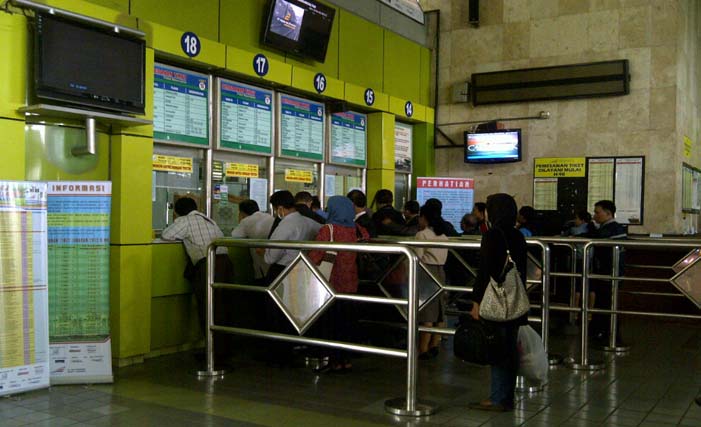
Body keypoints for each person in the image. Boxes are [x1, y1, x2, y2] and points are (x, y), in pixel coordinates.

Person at [469, 193, 527, 412]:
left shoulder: (492, 235)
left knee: (497, 349)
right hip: (514, 300)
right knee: (510, 349)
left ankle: (498, 398)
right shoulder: (518, 235)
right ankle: (506, 396)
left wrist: (476, 301)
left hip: (497, 300)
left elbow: (484, 271)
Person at [308, 196, 369, 372]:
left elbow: (315, 255)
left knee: (331, 322)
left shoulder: (329, 229)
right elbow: (367, 238)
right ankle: (346, 360)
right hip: (351, 281)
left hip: (332, 282)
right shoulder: (357, 229)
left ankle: (333, 361)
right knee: (347, 321)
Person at [161, 197, 233, 333]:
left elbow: (166, 235)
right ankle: (224, 349)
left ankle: (213, 351)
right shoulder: (209, 220)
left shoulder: (185, 220)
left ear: (177, 211)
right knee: (223, 305)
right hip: (225, 263)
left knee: (208, 307)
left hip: (208, 265)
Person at [414, 203, 449, 360]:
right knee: (439, 311)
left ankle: (423, 348)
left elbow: (417, 257)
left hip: (426, 272)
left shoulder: (422, 235)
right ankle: (435, 344)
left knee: (427, 312)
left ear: (424, 217)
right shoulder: (443, 235)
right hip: (441, 272)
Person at [588, 200, 627, 343]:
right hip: (615, 273)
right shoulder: (619, 229)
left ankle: (608, 335)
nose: (594, 216)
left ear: (608, 213)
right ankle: (609, 334)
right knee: (608, 305)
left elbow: (596, 243)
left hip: (606, 274)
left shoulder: (607, 231)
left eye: (597, 212)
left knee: (605, 305)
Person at [264, 190, 322, 283]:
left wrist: (266, 252)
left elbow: (271, 257)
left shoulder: (285, 225)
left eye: (275, 210)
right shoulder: (309, 222)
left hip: (283, 271)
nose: (276, 213)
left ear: (280, 209)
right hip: (304, 269)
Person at [231, 199, 275, 282]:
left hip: (262, 261)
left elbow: (234, 237)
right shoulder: (269, 217)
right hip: (275, 261)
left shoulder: (246, 221)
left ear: (242, 212)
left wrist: (240, 219)